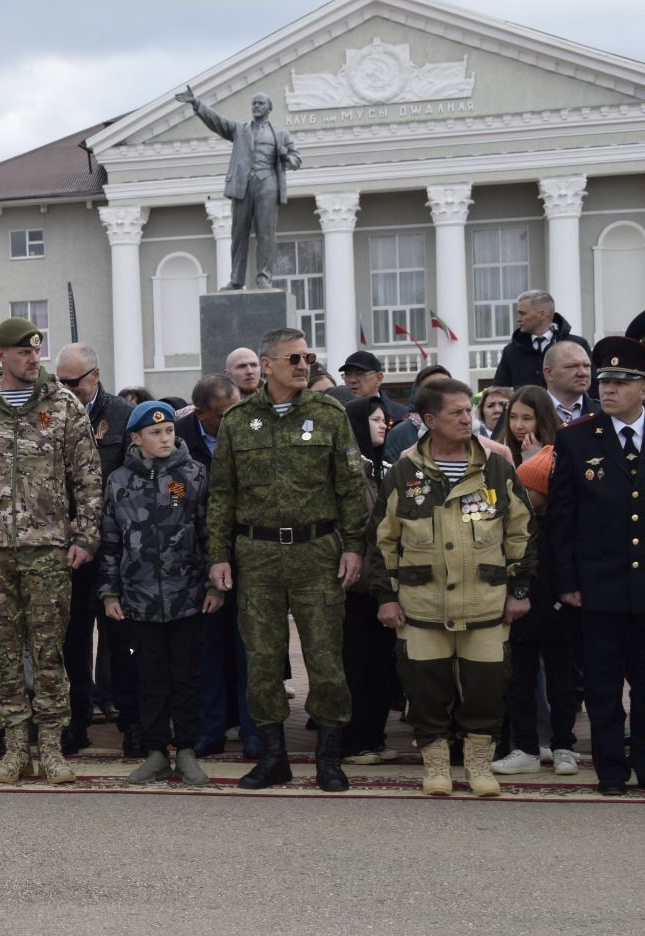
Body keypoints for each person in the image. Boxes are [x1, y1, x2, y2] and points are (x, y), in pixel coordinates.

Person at [0, 316, 101, 786]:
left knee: (50, 651)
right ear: (1, 356)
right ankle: (14, 749)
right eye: (25, 352)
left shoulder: (63, 404)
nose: (34, 359)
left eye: (37, 351)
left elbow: (87, 475)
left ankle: (50, 747)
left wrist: (84, 536)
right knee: (3, 653)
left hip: (48, 550)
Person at [206, 327, 368, 792]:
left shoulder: (329, 414)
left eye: (307, 357)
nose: (303, 365)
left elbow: (351, 487)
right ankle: (273, 755)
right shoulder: (238, 421)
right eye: (293, 358)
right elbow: (221, 496)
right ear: (268, 364)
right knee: (262, 659)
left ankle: (329, 759)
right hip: (256, 553)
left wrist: (354, 545)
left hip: (316, 551)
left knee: (325, 658)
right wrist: (218, 556)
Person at [371, 377, 534, 797]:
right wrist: (386, 598)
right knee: (426, 690)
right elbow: (381, 540)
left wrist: (519, 591)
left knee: (487, 689)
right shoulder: (405, 472)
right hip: (422, 605)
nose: (468, 418)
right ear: (430, 421)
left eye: (469, 410)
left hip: (485, 603)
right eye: (456, 413)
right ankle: (437, 764)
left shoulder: (497, 467)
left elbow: (523, 534)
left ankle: (479, 765)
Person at [98, 400, 220, 785]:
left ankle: (185, 750)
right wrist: (109, 593)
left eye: (168, 430)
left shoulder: (192, 475)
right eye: (155, 433)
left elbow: (207, 531)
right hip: (139, 598)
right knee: (149, 677)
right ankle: (154, 751)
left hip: (187, 595)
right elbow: (110, 540)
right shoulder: (119, 481)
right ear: (137, 438)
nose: (165, 438)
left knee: (186, 675)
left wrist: (214, 585)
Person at [545, 335, 645, 796]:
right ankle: (610, 767)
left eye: (621, 381)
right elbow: (562, 517)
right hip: (598, 583)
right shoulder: (577, 437)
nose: (608, 389)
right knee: (603, 685)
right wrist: (566, 580)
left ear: (642, 388)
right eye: (604, 380)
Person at [54, 342, 137, 756]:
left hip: (114, 549)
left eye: (75, 382)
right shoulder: (48, 416)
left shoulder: (123, 416)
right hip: (68, 549)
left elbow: (139, 480)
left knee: (121, 640)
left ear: (96, 375)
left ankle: (131, 722)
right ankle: (76, 722)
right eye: (60, 382)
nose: (67, 389)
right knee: (72, 639)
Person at [491, 443, 581, 777]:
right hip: (521, 617)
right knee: (519, 683)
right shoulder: (514, 523)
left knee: (563, 685)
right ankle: (525, 746)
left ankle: (564, 747)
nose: (522, 493)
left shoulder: (564, 526)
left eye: (529, 487)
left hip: (559, 614)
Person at [177, 375, 255, 758]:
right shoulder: (175, 438)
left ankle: (254, 730)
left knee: (250, 650)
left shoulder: (252, 428)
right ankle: (210, 731)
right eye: (223, 415)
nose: (233, 419)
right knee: (207, 653)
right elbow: (173, 499)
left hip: (248, 554)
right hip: (197, 561)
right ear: (201, 413)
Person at [176, 88, 300, 289]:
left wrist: (287, 158)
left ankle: (263, 277)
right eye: (254, 103)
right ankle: (236, 279)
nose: (256, 106)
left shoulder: (280, 134)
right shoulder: (239, 130)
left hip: (268, 185)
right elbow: (218, 122)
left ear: (269, 108)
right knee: (238, 233)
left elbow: (296, 158)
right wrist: (197, 104)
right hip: (243, 186)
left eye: (260, 103)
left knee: (266, 234)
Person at [339, 395, 399, 765]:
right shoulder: (347, 470)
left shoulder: (385, 468)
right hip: (351, 584)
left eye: (385, 420)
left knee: (380, 664)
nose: (383, 425)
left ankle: (374, 736)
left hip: (381, 581)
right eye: (376, 420)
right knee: (353, 664)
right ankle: (352, 739)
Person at [492, 290, 590, 390]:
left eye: (523, 313)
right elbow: (500, 391)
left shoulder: (577, 345)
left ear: (542, 314)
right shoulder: (511, 351)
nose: (518, 319)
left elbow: (592, 386)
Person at [491, 386, 561, 468]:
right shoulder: (498, 451)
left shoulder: (561, 450)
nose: (518, 426)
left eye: (526, 418)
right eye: (513, 417)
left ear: (543, 420)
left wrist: (536, 460)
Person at [338, 351, 408, 424]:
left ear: (378, 378)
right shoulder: (339, 413)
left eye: (360, 373)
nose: (352, 380)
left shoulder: (402, 415)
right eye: (348, 374)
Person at [542, 340, 601, 425]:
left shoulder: (605, 414)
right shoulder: (529, 412)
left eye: (586, 366)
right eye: (572, 366)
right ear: (549, 373)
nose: (583, 373)